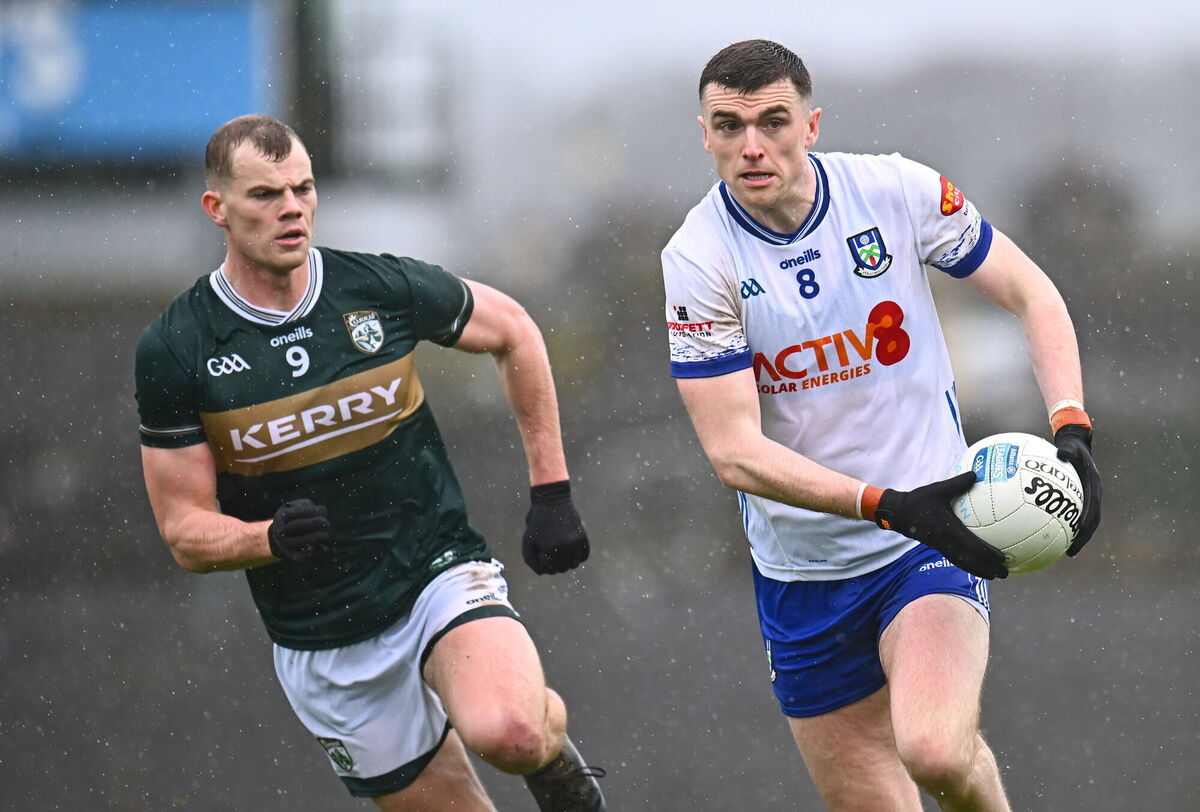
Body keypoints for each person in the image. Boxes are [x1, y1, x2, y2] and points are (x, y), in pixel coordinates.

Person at [660, 40, 1101, 811]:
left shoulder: (897, 190)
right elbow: (734, 454)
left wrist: (1072, 433)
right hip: (802, 574)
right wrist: (885, 500)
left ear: (813, 123)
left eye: (774, 121)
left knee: (935, 750)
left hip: (926, 543)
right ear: (705, 134)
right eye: (730, 126)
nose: (753, 146)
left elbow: (1033, 294)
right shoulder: (699, 260)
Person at [135, 114, 606, 812]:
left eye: (303, 188)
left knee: (509, 732)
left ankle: (543, 730)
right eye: (265, 195)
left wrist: (552, 491)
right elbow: (183, 532)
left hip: (433, 574)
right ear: (218, 209)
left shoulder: (375, 288)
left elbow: (515, 331)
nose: (291, 208)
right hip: (323, 640)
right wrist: (265, 539)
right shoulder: (176, 348)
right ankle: (531, 712)